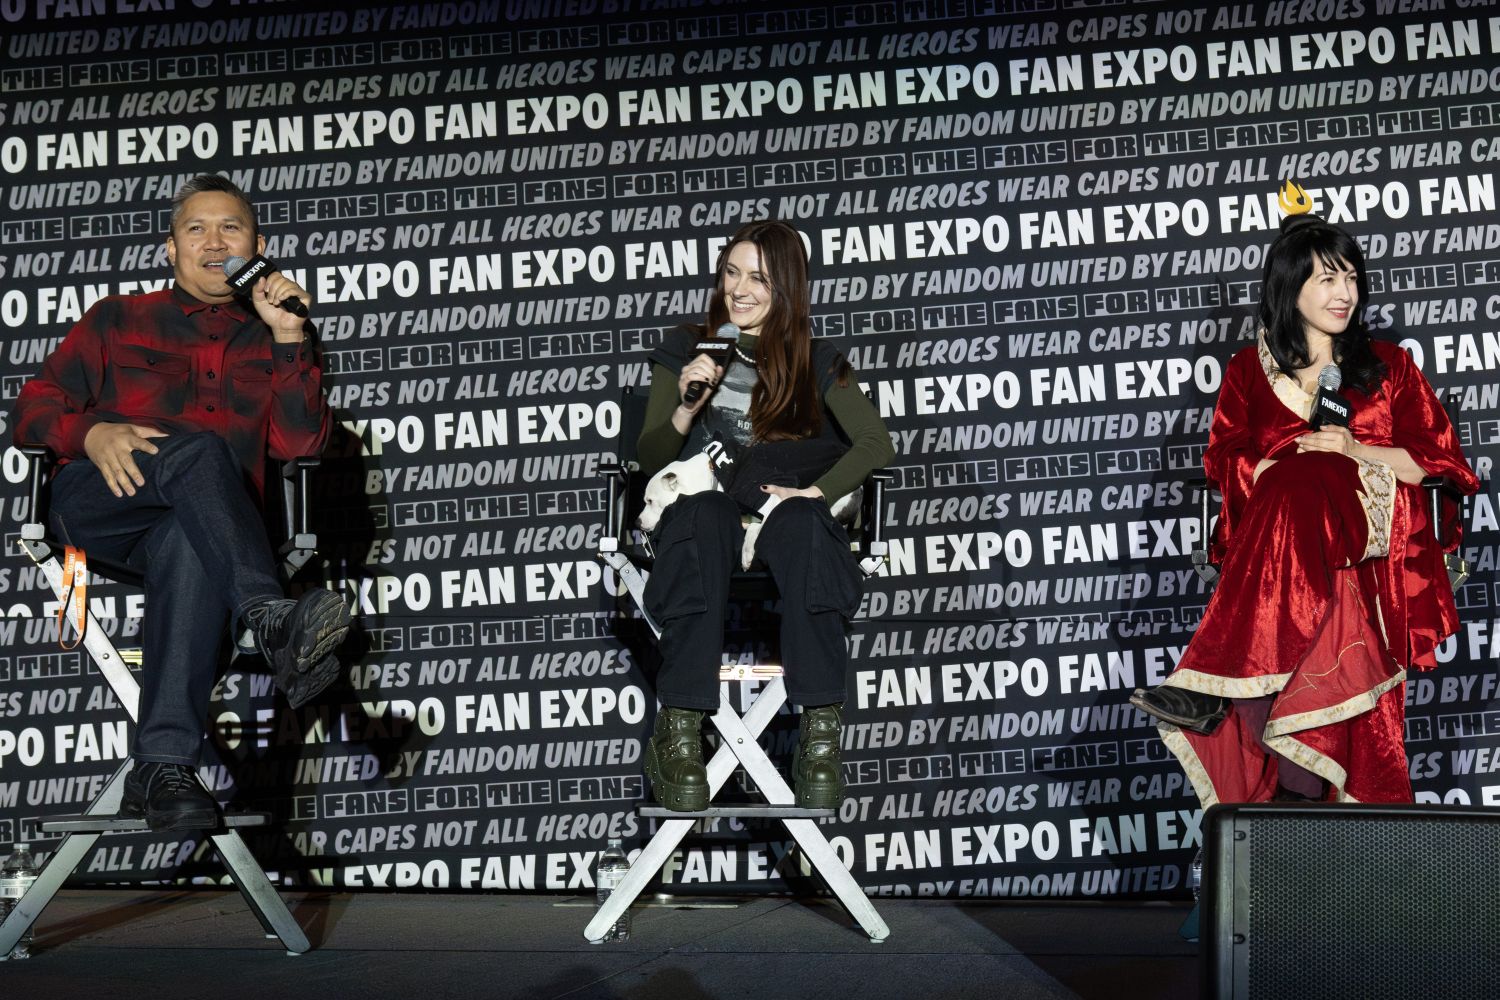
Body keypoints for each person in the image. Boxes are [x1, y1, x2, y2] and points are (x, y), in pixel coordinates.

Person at [12, 174, 352, 831]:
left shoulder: (274, 336)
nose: (214, 241)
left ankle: (164, 767)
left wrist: (287, 336)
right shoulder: (118, 317)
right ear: (170, 249)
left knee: (189, 548)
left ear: (258, 246)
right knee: (198, 450)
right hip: (101, 500)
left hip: (207, 531)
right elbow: (31, 406)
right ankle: (271, 616)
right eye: (196, 228)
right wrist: (89, 431)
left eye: (232, 229)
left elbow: (302, 441)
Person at [1130, 187, 1478, 806]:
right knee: (1290, 477)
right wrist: (1270, 468)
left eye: (1351, 278)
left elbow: (1440, 464)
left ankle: (1210, 680)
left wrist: (1354, 450)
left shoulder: (1389, 365)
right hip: (1288, 539)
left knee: (1305, 471)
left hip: (1371, 527)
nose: (1344, 292)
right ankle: (1288, 827)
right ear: (1289, 288)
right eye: (1325, 279)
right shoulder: (1246, 369)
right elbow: (1224, 457)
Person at [635, 219, 895, 811]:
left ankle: (821, 739)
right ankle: (679, 734)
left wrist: (816, 494)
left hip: (774, 523)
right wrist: (686, 405)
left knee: (804, 524)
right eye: (732, 272)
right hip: (704, 525)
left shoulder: (817, 360)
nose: (740, 289)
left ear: (789, 290)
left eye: (759, 278)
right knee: (702, 514)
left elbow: (875, 445)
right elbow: (647, 455)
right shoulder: (687, 349)